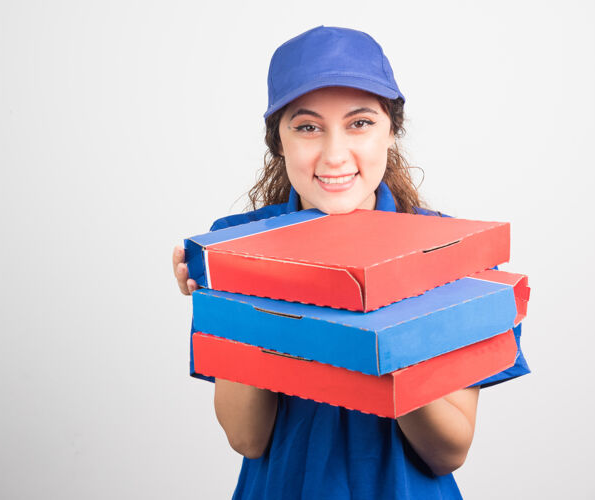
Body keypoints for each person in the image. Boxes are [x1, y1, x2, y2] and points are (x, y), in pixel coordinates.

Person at [171, 26, 530, 499]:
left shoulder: (452, 253)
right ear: (279, 141)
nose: (335, 154)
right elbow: (247, 438)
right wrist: (238, 301)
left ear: (391, 132)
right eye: (307, 127)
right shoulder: (232, 247)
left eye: (360, 123)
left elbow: (447, 451)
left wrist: (385, 300)